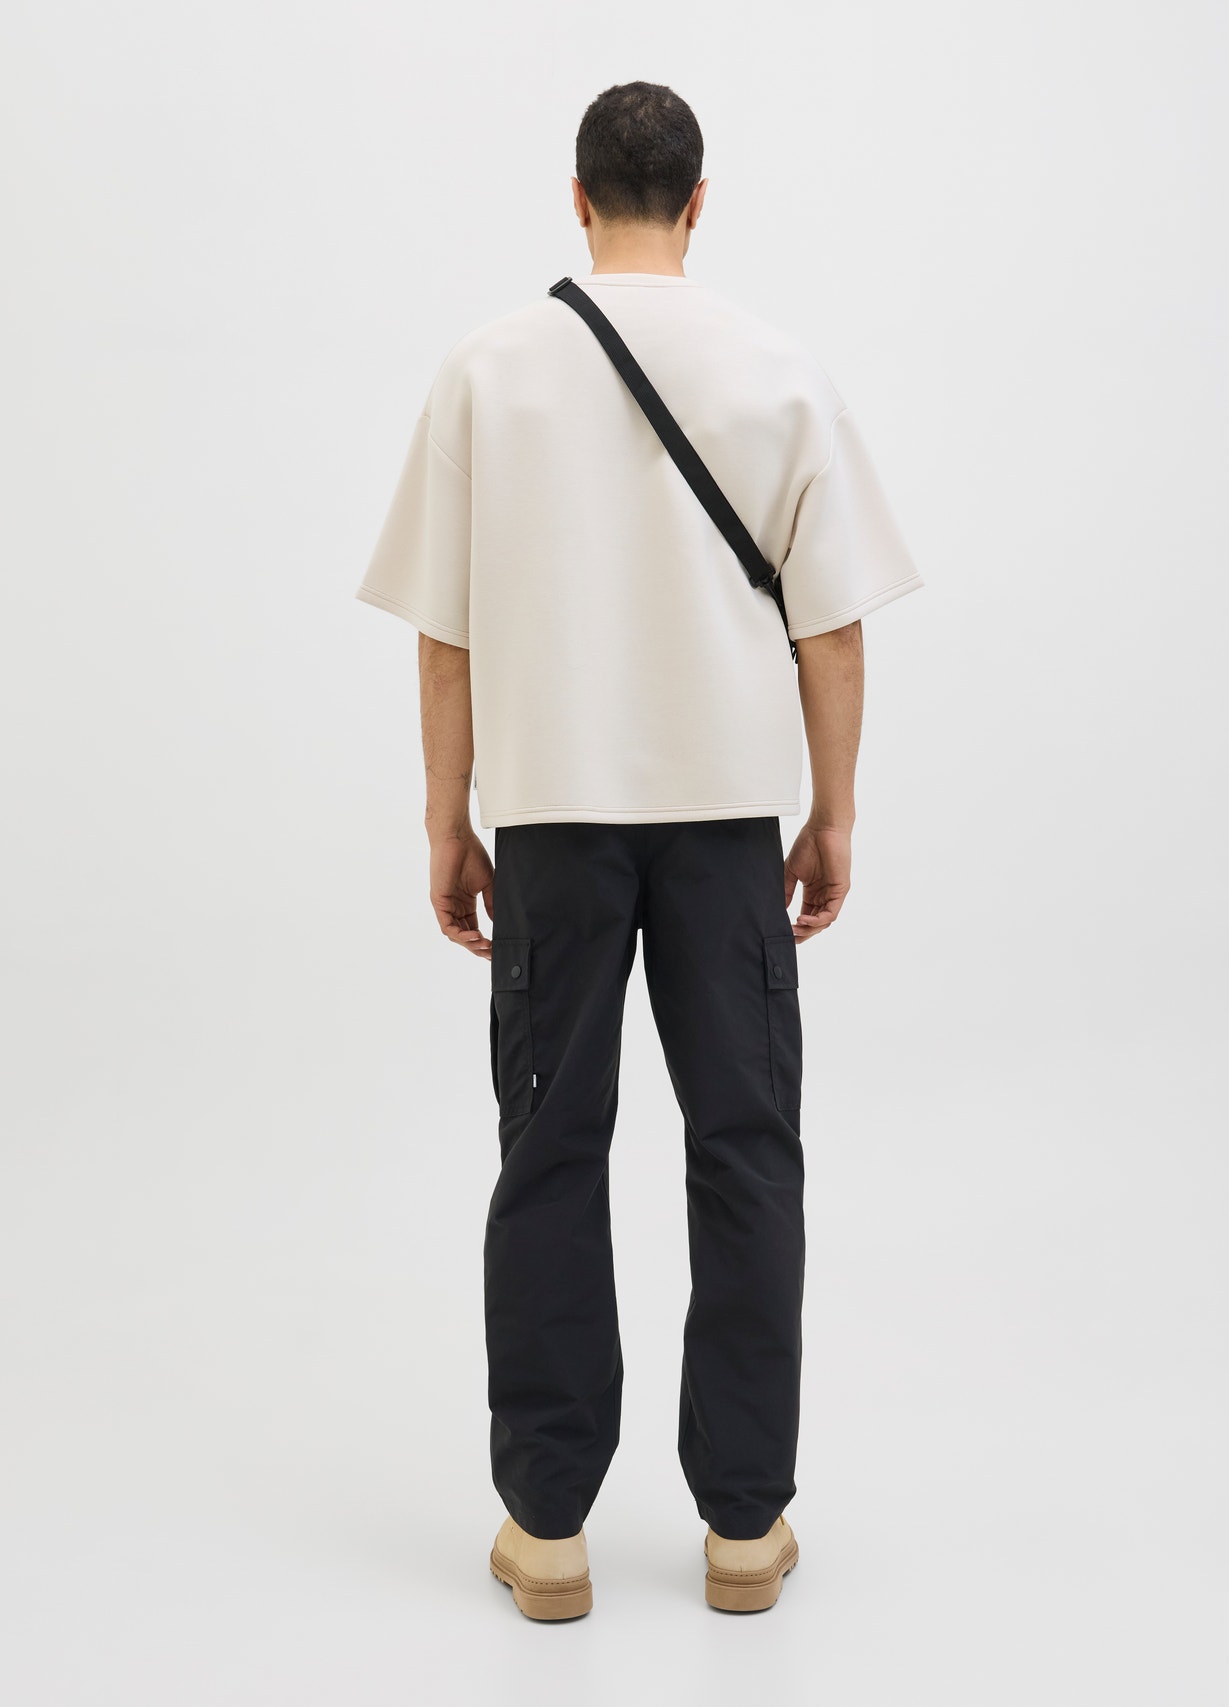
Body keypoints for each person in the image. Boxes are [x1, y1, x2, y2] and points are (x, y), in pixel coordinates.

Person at [355, 79, 923, 1620]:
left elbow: (446, 637)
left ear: (578, 195)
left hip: (552, 823)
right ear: (699, 200)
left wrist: (447, 817)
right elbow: (833, 631)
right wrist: (833, 811)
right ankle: (744, 1527)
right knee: (746, 1150)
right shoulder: (778, 367)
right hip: (728, 826)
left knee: (550, 1149)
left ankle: (547, 1529)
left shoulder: (489, 369)